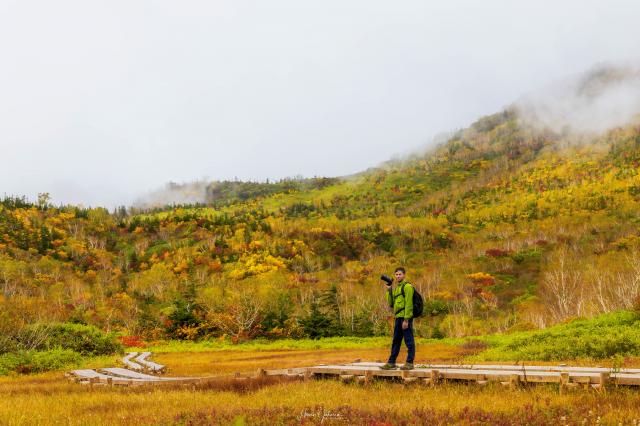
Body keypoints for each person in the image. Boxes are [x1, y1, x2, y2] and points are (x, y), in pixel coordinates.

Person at [380, 267, 415, 370]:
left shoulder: (407, 287)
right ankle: (391, 362)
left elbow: (409, 304)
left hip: (405, 318)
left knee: (409, 341)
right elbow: (391, 303)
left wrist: (406, 320)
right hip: (398, 318)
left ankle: (409, 363)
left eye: (400, 274)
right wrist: (389, 290)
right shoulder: (397, 289)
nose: (398, 276)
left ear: (404, 275)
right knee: (396, 341)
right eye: (396, 274)